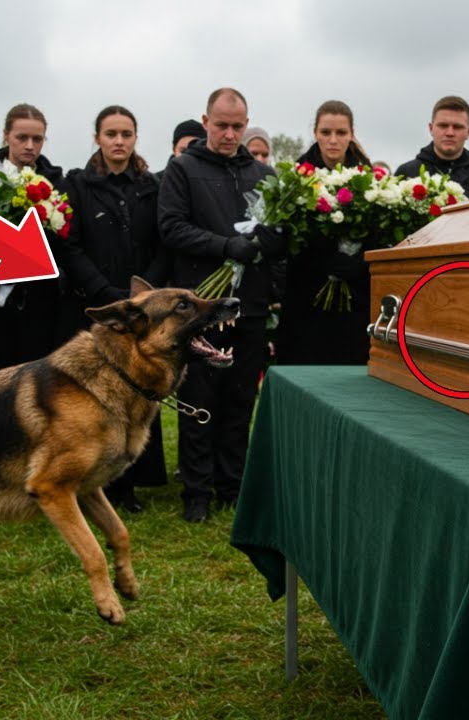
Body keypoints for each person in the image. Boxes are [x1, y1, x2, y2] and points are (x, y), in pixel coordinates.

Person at [158, 88, 283, 522]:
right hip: (201, 306)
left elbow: (280, 236)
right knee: (199, 398)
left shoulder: (264, 174)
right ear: (205, 122)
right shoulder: (183, 169)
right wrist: (225, 245)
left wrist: (271, 241)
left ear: (246, 124)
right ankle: (197, 491)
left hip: (249, 303)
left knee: (240, 398)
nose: (230, 134)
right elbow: (171, 227)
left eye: (237, 126)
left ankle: (233, 485)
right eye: (222, 125)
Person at [54, 105, 170, 511]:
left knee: (137, 390)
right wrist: (104, 292)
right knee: (96, 396)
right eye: (110, 134)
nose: (119, 141)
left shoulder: (152, 186)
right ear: (97, 138)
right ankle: (87, 481)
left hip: (142, 308)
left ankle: (129, 484)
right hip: (95, 305)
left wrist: (143, 297)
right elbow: (69, 245)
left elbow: (163, 243)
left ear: (135, 138)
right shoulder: (77, 185)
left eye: (126, 134)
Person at [0, 103, 63, 382]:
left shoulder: (55, 183)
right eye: (21, 137)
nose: (30, 146)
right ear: (6, 135)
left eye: (37, 139)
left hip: (37, 300)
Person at [277, 100, 377, 370]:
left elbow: (378, 237)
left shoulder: (369, 179)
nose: (333, 140)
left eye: (341, 133)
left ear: (351, 134)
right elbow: (287, 238)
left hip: (353, 299)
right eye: (326, 132)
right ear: (315, 133)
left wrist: (358, 264)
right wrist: (321, 259)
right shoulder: (297, 177)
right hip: (306, 297)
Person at [395, 95, 469, 199]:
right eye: (443, 126)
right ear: (431, 129)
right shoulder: (406, 174)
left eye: (457, 127)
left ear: (468, 132)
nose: (450, 133)